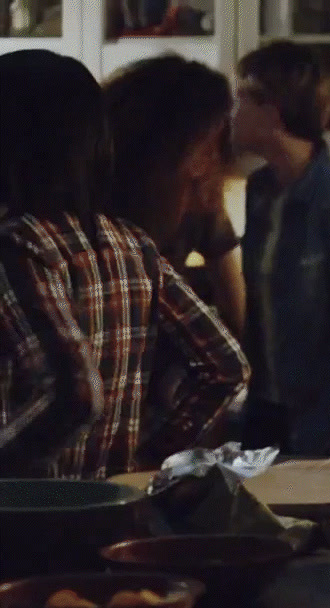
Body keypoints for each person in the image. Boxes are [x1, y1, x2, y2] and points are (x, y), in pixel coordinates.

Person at [0, 49, 248, 478]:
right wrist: (147, 459)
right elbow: (226, 366)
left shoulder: (18, 246)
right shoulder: (132, 243)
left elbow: (75, 394)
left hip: (29, 523)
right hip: (114, 514)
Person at [230, 40, 330, 456]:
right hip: (263, 406)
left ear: (273, 112)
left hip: (318, 416)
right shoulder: (258, 191)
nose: (233, 114)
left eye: (241, 100)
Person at [103, 53, 246, 337]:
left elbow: (234, 301)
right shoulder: (101, 203)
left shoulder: (202, 198)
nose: (216, 156)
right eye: (211, 141)